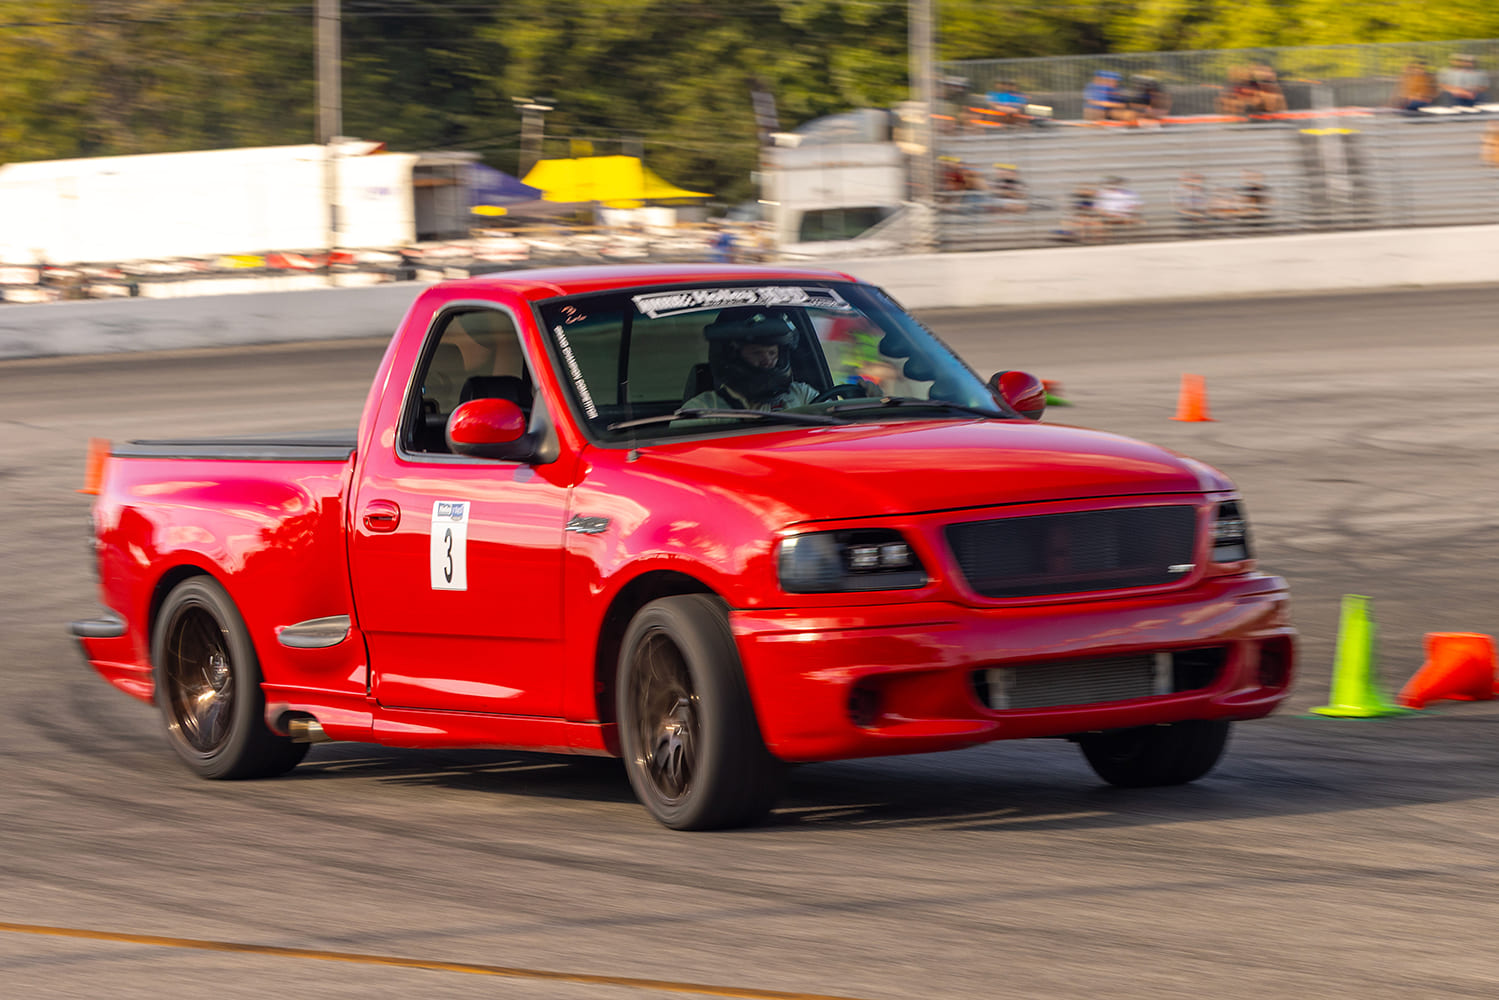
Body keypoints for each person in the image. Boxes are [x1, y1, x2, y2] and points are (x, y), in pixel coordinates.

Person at [683, 308, 819, 411]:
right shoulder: (705, 409)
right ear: (733, 357)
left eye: (772, 353)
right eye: (757, 353)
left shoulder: (802, 395)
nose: (767, 360)